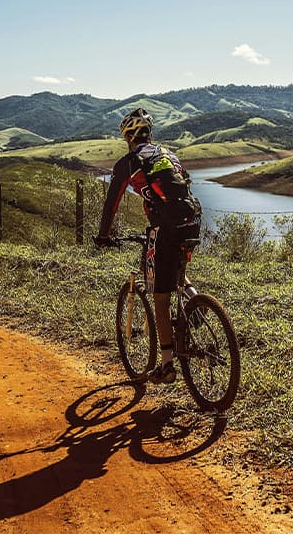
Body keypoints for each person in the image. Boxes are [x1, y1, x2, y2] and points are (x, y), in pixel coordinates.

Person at [94, 108, 202, 385]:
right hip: (191, 221)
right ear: (148, 134)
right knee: (177, 273)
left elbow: (111, 205)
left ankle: (166, 365)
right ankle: (197, 302)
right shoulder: (168, 155)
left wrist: (103, 236)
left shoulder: (129, 163)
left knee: (160, 296)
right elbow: (185, 186)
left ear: (128, 137)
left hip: (164, 228)